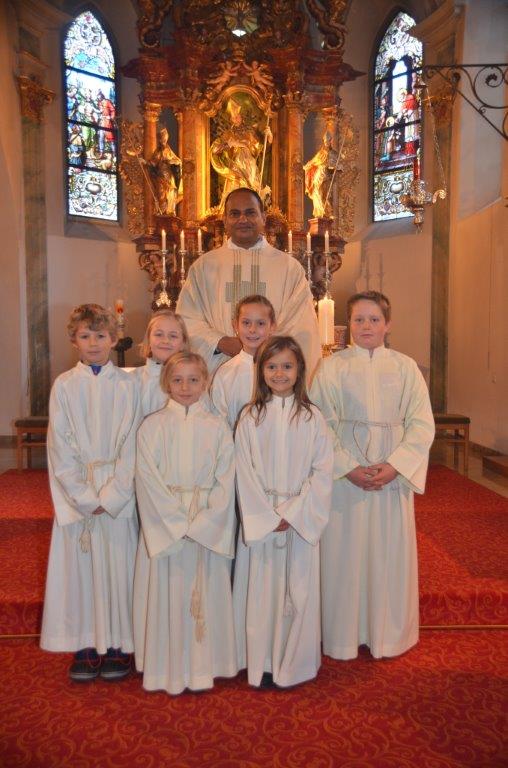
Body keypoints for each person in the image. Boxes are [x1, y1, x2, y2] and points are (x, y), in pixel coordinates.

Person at [311, 291, 435, 660]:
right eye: (359, 319)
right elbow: (320, 423)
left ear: (388, 324)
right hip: (346, 480)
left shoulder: (405, 368)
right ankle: (343, 635)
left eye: (374, 319)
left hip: (390, 477)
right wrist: (346, 467)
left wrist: (396, 465)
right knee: (345, 557)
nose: (366, 326)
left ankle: (388, 634)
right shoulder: (331, 368)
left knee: (387, 556)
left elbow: (421, 424)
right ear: (347, 324)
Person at [40, 304, 140, 682]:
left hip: (116, 495)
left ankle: (117, 646)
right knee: (80, 574)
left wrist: (113, 495)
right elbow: (59, 445)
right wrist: (83, 497)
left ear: (114, 339)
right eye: (85, 336)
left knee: (118, 570)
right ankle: (83, 645)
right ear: (74, 341)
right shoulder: (64, 386)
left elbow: (134, 442)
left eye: (101, 335)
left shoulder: (130, 385)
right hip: (79, 496)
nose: (94, 343)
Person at [134, 352, 237, 694]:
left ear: (205, 382)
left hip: (206, 522)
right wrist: (178, 525)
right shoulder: (152, 426)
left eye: (193, 380)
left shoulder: (218, 427)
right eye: (177, 380)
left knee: (206, 594)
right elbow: (147, 481)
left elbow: (226, 480)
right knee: (169, 595)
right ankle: (167, 668)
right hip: (168, 528)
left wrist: (204, 524)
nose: (185, 387)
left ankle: (209, 666)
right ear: (166, 383)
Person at [233, 336, 333, 688]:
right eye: (272, 366)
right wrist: (267, 515)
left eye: (287, 366)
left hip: (298, 521)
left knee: (298, 592)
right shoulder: (250, 417)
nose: (279, 373)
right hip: (263, 520)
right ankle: (261, 663)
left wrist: (291, 513)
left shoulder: (312, 417)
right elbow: (242, 471)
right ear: (260, 371)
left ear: (300, 370)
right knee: (262, 594)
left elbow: (322, 471)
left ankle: (295, 663)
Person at [176, 187, 320, 378]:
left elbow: (301, 323)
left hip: (273, 373)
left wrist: (266, 347)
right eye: (235, 214)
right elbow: (187, 319)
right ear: (225, 220)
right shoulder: (203, 268)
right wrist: (219, 342)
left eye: (250, 213)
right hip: (216, 372)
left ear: (263, 218)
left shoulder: (289, 268)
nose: (243, 219)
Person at [209, 295, 276, 430]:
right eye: (246, 323)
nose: (252, 329)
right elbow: (217, 422)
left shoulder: (281, 370)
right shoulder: (225, 373)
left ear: (272, 327)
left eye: (260, 323)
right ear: (236, 326)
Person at [134, 309, 190, 417]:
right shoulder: (132, 381)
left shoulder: (191, 382)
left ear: (183, 343)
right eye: (159, 334)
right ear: (148, 340)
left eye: (173, 336)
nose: (165, 341)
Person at [147, 127, 183, 216]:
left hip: (169, 177)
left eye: (164, 140)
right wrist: (145, 162)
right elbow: (152, 163)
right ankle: (162, 212)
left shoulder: (169, 150)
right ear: (159, 140)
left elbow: (178, 161)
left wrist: (170, 161)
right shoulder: (158, 151)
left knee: (171, 192)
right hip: (160, 177)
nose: (163, 142)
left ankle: (170, 211)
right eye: (162, 140)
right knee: (161, 195)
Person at [303, 131, 339, 219]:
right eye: (325, 141)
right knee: (317, 192)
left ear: (331, 141)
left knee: (327, 195)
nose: (326, 143)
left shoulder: (334, 154)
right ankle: (319, 211)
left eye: (328, 141)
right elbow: (313, 162)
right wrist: (307, 166)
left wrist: (335, 168)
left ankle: (327, 212)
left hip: (327, 177)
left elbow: (338, 166)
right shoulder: (321, 153)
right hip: (319, 176)